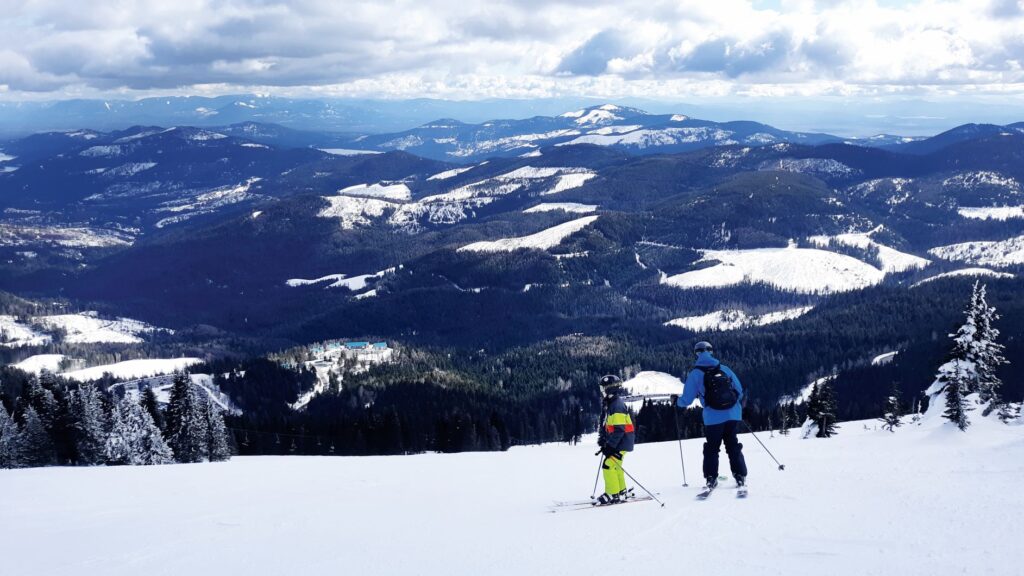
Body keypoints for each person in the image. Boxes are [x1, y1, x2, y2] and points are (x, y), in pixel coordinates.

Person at [673, 341, 748, 490]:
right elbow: (739, 390)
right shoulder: (725, 369)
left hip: (713, 417)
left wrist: (676, 402)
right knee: (732, 444)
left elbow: (686, 400)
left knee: (712, 448)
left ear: (697, 354)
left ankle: (711, 478)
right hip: (733, 415)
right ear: (711, 352)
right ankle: (740, 475)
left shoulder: (695, 374)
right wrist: (731, 406)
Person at [596, 375, 635, 504]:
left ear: (609, 389)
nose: (601, 391)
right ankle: (621, 490)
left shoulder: (617, 406)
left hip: (622, 442)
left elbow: (619, 430)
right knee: (616, 466)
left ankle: (612, 494)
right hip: (621, 441)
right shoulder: (610, 404)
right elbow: (608, 425)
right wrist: (604, 440)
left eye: (603, 388)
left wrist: (610, 446)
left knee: (608, 465)